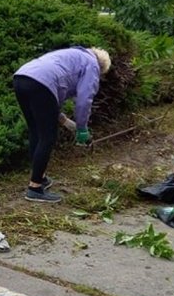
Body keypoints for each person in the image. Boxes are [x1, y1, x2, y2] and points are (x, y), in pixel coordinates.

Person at [13, 46, 112, 204]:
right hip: (41, 84)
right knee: (48, 137)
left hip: (22, 77)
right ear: (101, 68)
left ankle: (41, 177)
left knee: (36, 131)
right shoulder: (92, 65)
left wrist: (65, 121)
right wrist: (82, 129)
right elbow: (84, 101)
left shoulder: (74, 54)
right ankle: (35, 188)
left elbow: (52, 97)